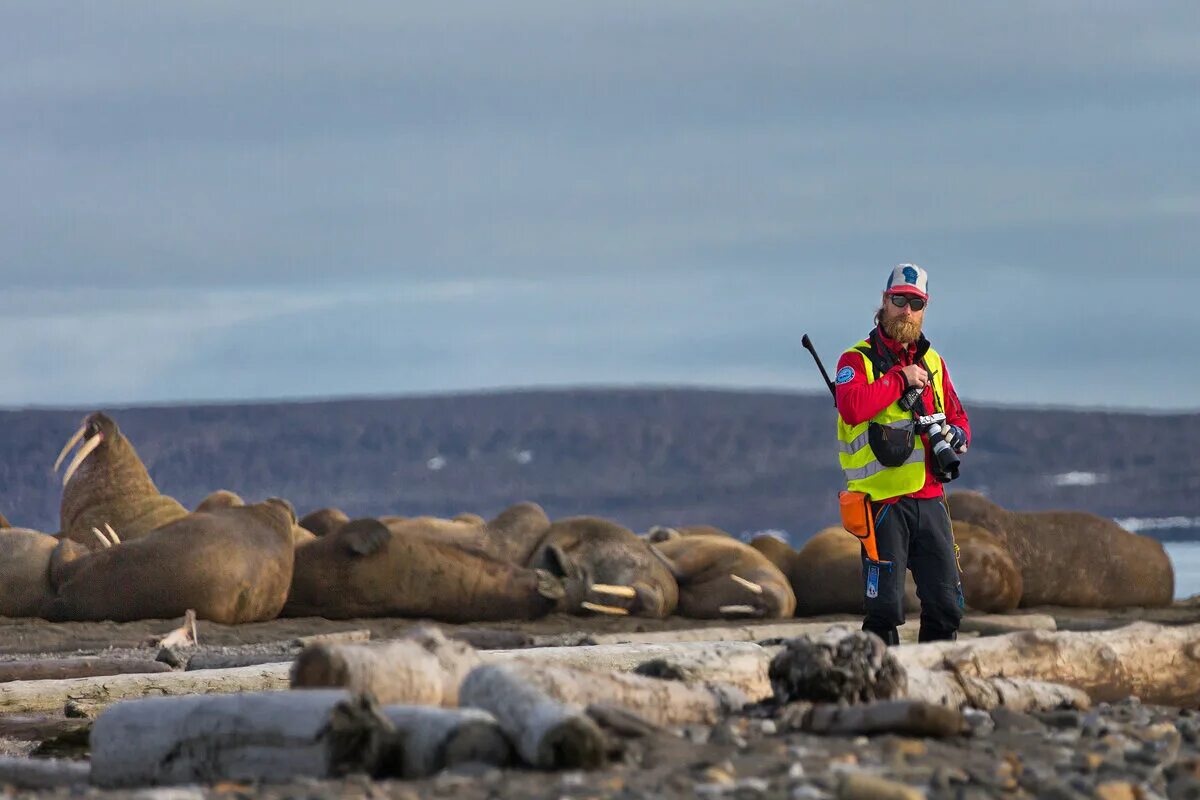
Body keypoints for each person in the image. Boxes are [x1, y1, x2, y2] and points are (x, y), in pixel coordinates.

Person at [833, 263, 971, 644]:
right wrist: (899, 380)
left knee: (947, 607)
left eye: (915, 303)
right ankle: (884, 694)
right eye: (899, 301)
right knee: (884, 611)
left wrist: (957, 435)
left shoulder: (934, 363)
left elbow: (959, 416)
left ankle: (936, 685)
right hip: (881, 503)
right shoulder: (855, 360)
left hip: (930, 499)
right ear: (884, 301)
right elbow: (852, 406)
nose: (906, 311)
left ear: (925, 308)